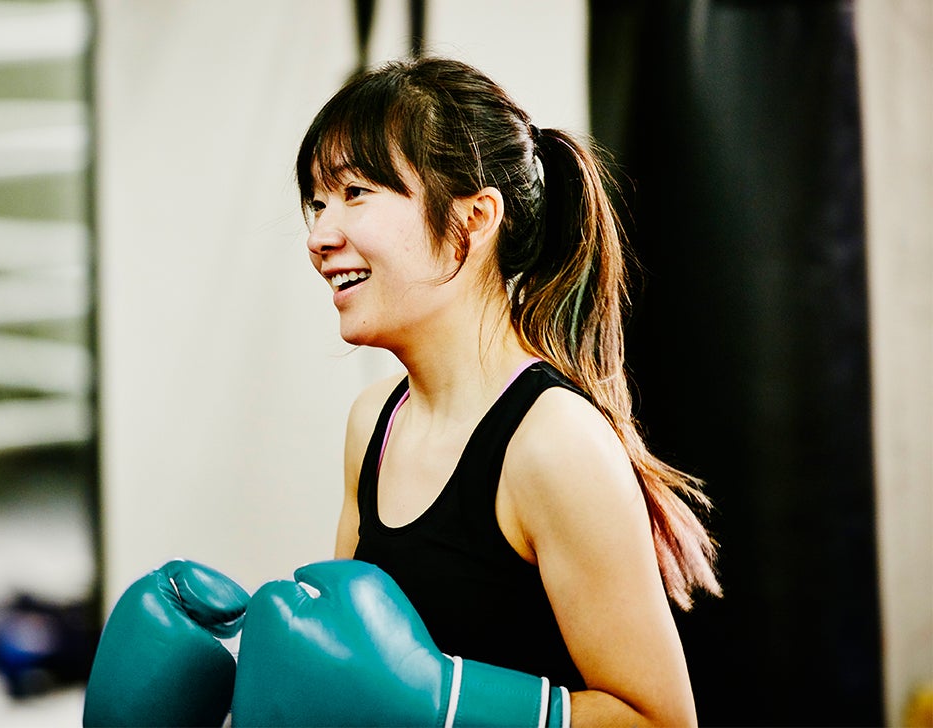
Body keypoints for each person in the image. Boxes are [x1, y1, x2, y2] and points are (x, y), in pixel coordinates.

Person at [233, 57, 721, 727]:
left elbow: (659, 720)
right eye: (317, 203)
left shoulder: (552, 443)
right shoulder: (374, 423)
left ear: (473, 218)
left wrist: (451, 703)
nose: (320, 236)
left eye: (354, 194)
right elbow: (349, 668)